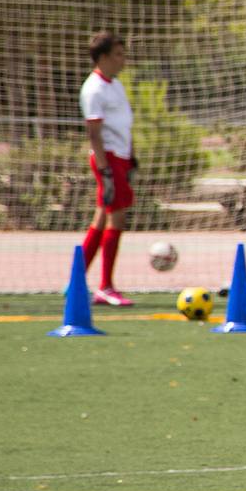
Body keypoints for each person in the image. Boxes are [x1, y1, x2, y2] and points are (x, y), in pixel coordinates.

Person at [79, 31, 135, 307]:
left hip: (120, 158)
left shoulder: (115, 84)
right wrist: (106, 171)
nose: (123, 60)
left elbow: (123, 122)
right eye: (118, 55)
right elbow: (94, 133)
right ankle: (106, 287)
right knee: (117, 220)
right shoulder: (94, 88)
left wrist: (131, 156)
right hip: (108, 159)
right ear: (102, 57)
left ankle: (75, 281)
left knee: (100, 219)